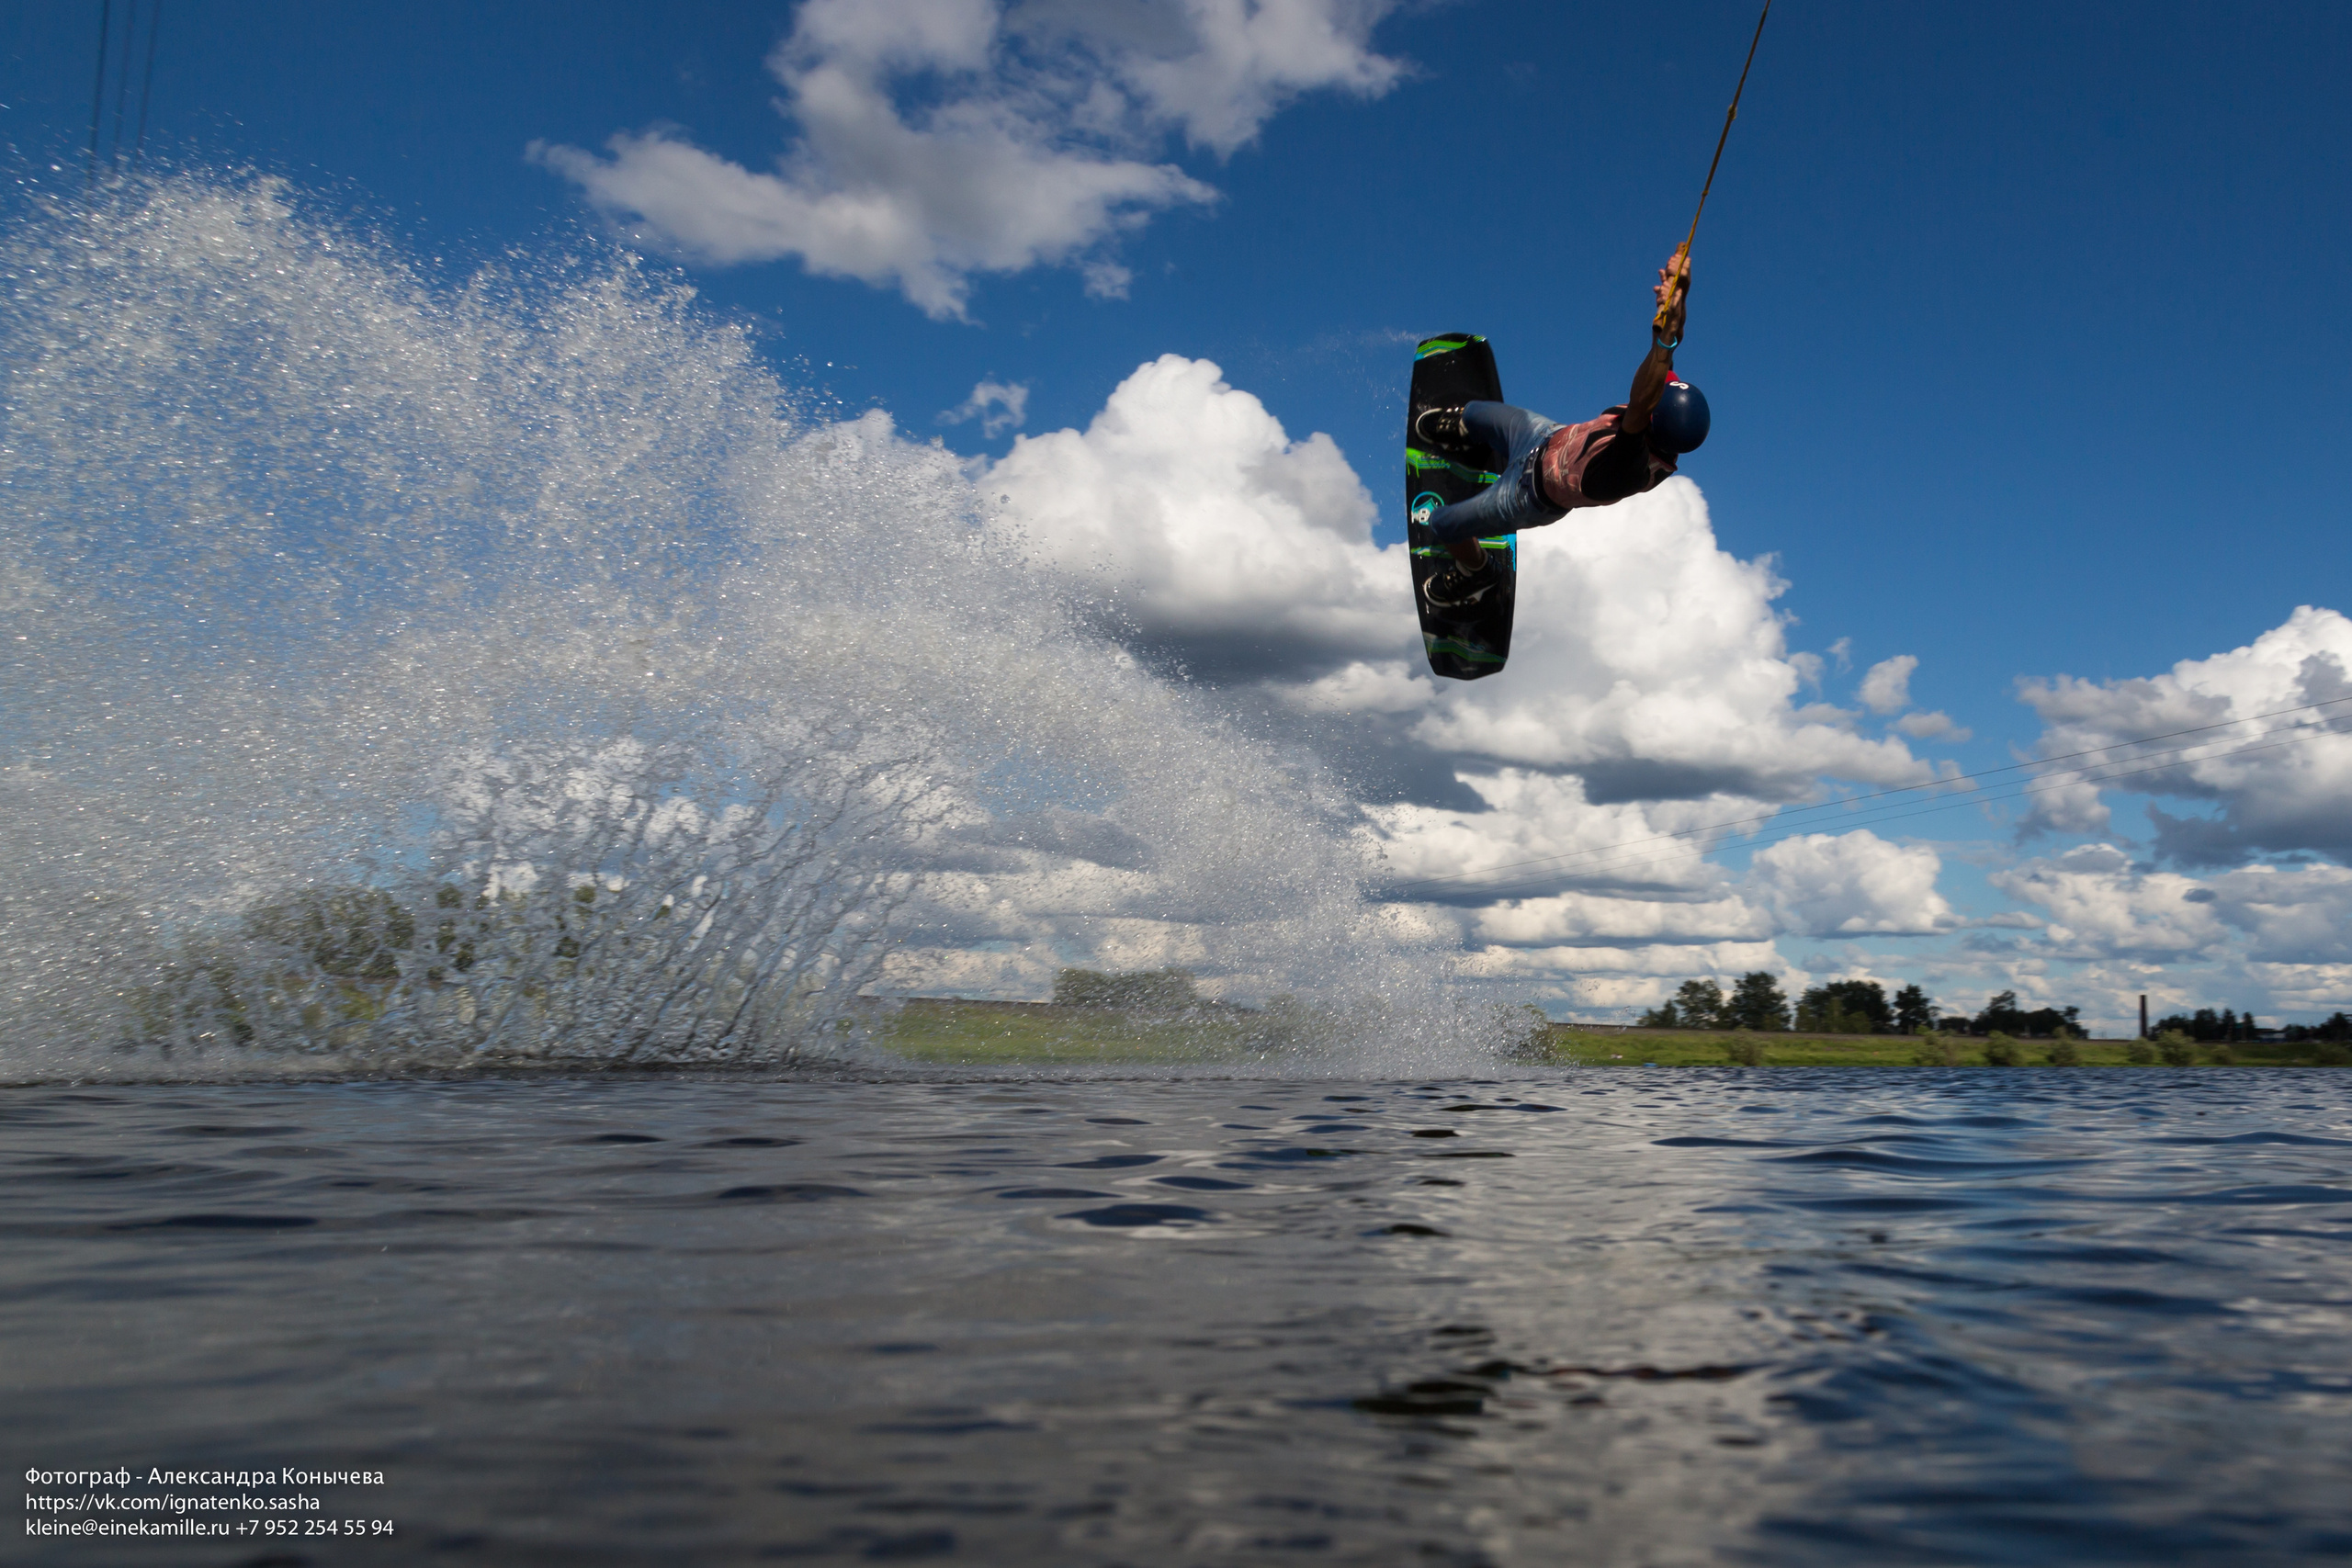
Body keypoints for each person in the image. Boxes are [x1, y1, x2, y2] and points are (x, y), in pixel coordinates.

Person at [1415, 253, 1709, 610]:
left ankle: (1477, 571)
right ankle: (1474, 438)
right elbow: (1663, 367)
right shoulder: (1663, 422)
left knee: (1443, 524)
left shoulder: (1628, 467)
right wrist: (1679, 301)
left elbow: (1646, 391)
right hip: (1542, 436)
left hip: (1526, 495)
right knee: (1473, 413)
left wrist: (1660, 342)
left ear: (1651, 421)